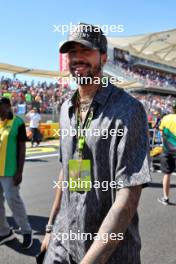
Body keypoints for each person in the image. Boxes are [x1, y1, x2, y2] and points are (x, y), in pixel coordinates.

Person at [42, 23, 151, 264]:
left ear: (103, 57)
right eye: (72, 52)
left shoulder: (129, 110)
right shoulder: (65, 109)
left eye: (86, 51)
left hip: (111, 254)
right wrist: (51, 227)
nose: (77, 58)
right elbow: (67, 170)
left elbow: (128, 199)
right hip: (64, 242)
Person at [0, 97, 33, 248]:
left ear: (7, 106)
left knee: (13, 200)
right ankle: (4, 232)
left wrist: (20, 171)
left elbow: (22, 148)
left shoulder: (18, 122)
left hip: (10, 171)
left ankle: (26, 231)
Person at [158, 103, 176, 205]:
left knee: (167, 175)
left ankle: (165, 198)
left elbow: (160, 133)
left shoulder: (166, 118)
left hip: (167, 150)